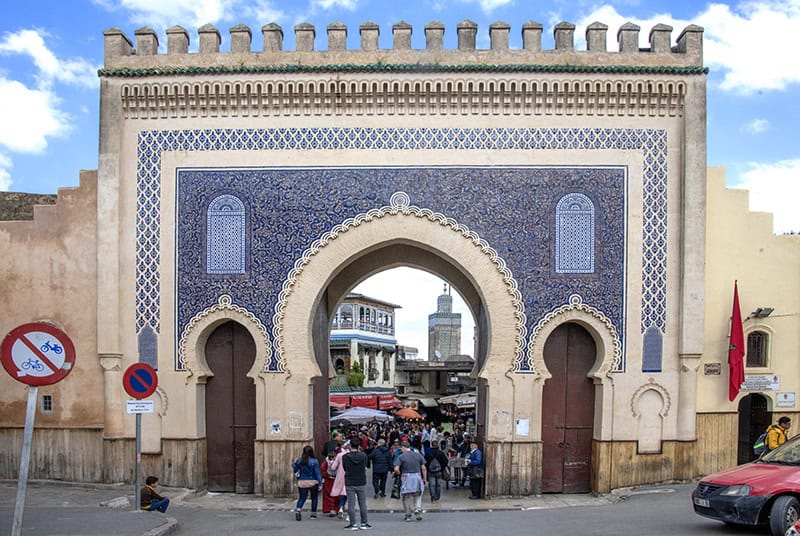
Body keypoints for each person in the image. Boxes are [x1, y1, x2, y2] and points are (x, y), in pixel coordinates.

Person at [342, 439, 372, 530]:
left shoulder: (345, 457)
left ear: (350, 446)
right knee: (362, 503)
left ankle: (353, 524)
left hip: (350, 481)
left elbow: (344, 468)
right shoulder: (363, 456)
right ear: (359, 446)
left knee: (351, 503)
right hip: (361, 481)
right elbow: (365, 466)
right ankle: (364, 523)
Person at [395, 440, 427, 521]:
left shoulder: (401, 457)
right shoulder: (418, 455)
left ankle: (408, 514)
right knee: (418, 494)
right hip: (417, 476)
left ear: (403, 447)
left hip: (406, 477)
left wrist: (398, 473)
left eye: (401, 448)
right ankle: (417, 510)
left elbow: (396, 468)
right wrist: (424, 479)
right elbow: (423, 468)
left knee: (406, 496)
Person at [292, 445, 323, 521]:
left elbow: (294, 466)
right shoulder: (314, 461)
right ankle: (313, 514)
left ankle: (298, 509)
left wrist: (297, 474)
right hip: (313, 481)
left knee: (302, 498)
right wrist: (320, 483)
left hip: (302, 481)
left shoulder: (300, 460)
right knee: (314, 498)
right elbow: (317, 473)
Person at [320, 449, 339, 516]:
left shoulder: (326, 461)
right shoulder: (339, 461)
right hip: (337, 480)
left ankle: (331, 509)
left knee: (328, 495)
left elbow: (322, 468)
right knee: (337, 495)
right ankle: (337, 509)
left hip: (328, 480)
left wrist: (326, 475)